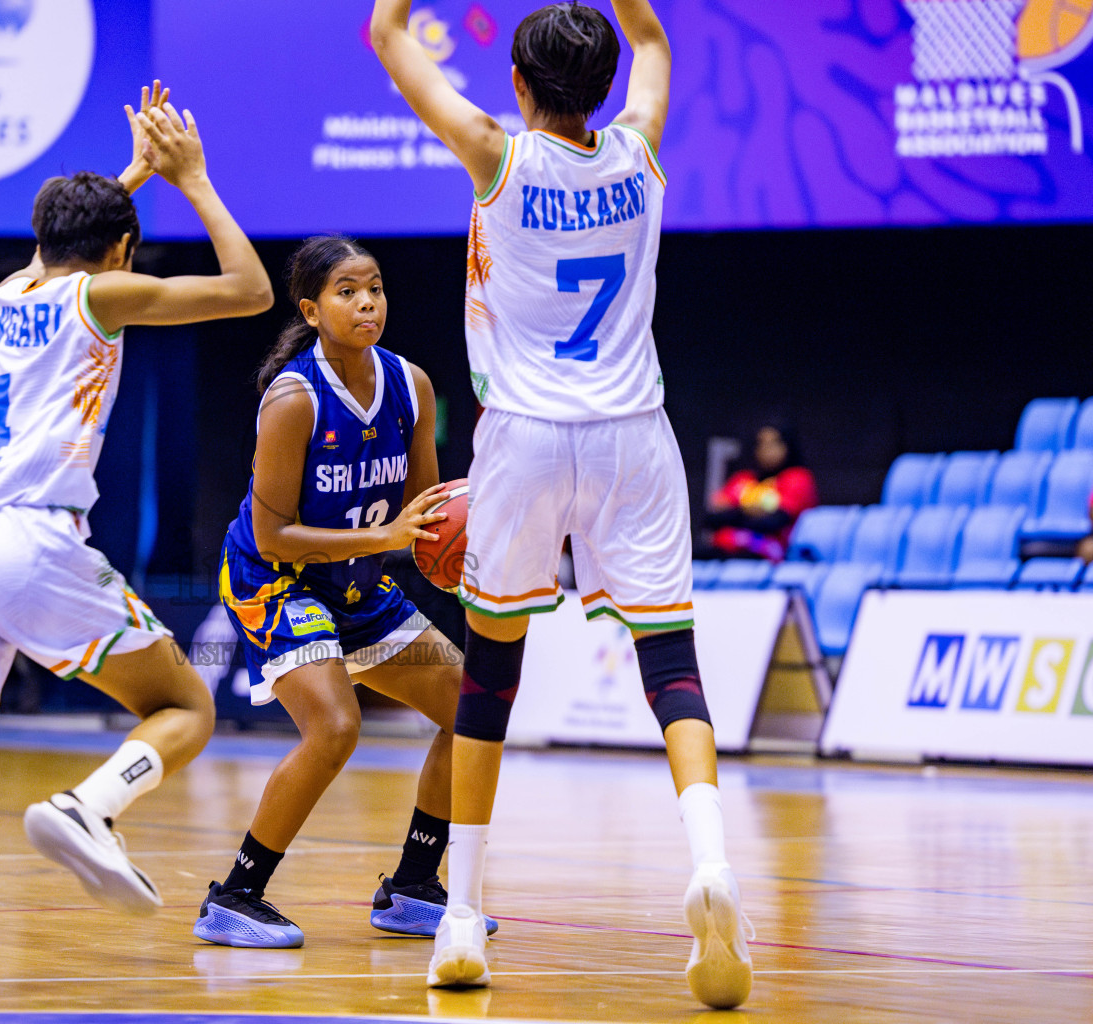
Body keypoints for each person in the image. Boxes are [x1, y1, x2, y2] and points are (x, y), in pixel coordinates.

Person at [0, 83, 273, 1017]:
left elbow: (74, 238)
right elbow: (252, 291)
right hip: (22, 538)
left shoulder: (7, 291)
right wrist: (189, 181)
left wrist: (131, 181)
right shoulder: (104, 292)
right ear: (120, 250)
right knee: (185, 703)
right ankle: (91, 807)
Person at [371, 0, 753, 1008]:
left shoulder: (494, 156)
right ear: (602, 83)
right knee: (669, 662)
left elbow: (387, 38)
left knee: (492, 670)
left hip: (526, 438)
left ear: (520, 86)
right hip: (634, 435)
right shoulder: (638, 153)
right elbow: (660, 45)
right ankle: (711, 862)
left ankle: (460, 915)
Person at [192, 235, 498, 948]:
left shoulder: (411, 384)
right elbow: (273, 539)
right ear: (312, 308)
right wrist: (385, 540)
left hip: (361, 584)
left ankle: (414, 887)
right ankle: (235, 896)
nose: (367, 303)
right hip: (277, 583)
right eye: (347, 292)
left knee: (467, 709)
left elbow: (421, 511)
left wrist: (475, 549)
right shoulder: (295, 399)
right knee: (334, 727)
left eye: (376, 288)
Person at [707, 422, 818, 560]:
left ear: (787, 446)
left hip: (775, 553)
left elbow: (774, 522)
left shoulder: (797, 478)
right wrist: (751, 511)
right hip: (726, 550)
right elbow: (713, 519)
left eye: (773, 444)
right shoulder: (743, 479)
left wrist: (736, 512)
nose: (766, 450)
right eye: (761, 444)